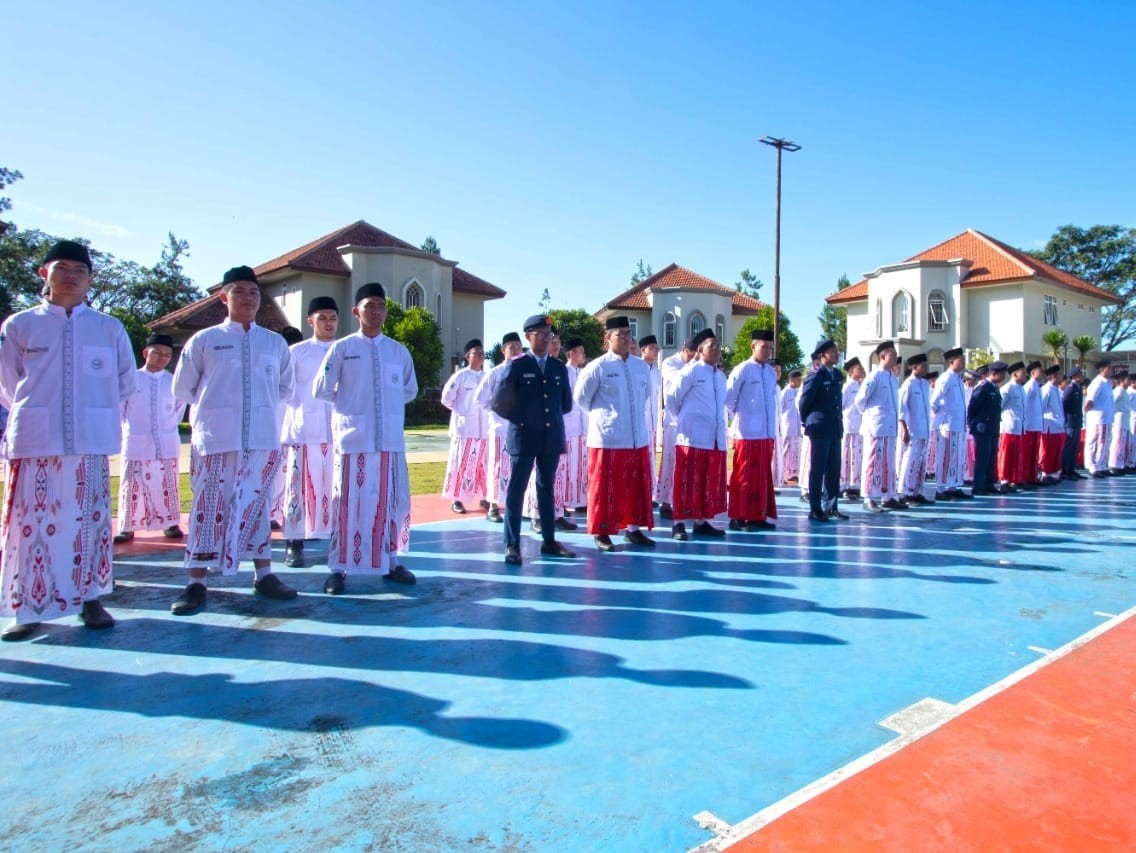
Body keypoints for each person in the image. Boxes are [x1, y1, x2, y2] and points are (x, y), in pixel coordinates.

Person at [0, 240, 136, 641]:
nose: (72, 276)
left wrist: (87, 410)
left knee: (89, 521)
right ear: (45, 274)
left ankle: (90, 597)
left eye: (80, 270)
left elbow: (125, 382)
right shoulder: (20, 325)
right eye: (63, 268)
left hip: (91, 442)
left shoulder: (108, 327)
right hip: (36, 439)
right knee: (31, 525)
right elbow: (7, 385)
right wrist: (44, 408)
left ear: (91, 279)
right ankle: (27, 606)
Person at [171, 265, 296, 615]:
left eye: (254, 292)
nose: (247, 298)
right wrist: (221, 410)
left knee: (258, 509)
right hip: (216, 439)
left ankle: (264, 575)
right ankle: (196, 582)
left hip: (261, 440)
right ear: (223, 297)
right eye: (239, 291)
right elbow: (183, 389)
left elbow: (286, 388)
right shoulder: (205, 340)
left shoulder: (273, 343)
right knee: (208, 509)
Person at [313, 282, 417, 593]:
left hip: (390, 442)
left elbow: (409, 390)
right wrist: (353, 406)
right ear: (357, 311)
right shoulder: (343, 348)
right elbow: (322, 389)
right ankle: (338, 568)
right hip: (353, 439)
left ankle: (392, 561)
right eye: (369, 306)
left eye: (381, 306)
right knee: (347, 504)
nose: (376, 312)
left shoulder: (398, 351)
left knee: (392, 502)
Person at [492, 314, 575, 564]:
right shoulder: (517, 366)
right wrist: (524, 420)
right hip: (524, 436)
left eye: (549, 334)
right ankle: (512, 544)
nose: (547, 338)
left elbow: (566, 404)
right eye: (540, 334)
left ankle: (549, 540)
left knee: (546, 489)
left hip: (550, 436)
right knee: (516, 491)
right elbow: (500, 403)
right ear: (528, 337)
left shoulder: (558, 367)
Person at [573, 316, 656, 552]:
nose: (626, 338)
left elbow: (646, 394)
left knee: (635, 487)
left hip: (636, 438)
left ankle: (633, 530)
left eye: (629, 333)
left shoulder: (640, 366)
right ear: (607, 337)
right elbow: (581, 399)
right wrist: (606, 418)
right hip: (607, 439)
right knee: (605, 489)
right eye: (620, 333)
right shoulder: (598, 367)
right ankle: (602, 531)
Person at [279, 298, 339, 567]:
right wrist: (302, 412)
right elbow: (282, 389)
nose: (329, 323)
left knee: (336, 490)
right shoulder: (296, 352)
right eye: (323, 318)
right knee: (298, 490)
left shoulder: (344, 350)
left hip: (337, 434)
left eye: (333, 318)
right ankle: (294, 542)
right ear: (310, 321)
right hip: (304, 432)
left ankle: (338, 540)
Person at [114, 332, 184, 544]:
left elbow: (178, 410)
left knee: (167, 484)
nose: (162, 358)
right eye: (158, 353)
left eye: (167, 355)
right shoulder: (130, 380)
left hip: (166, 441)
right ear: (146, 353)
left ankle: (170, 523)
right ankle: (127, 527)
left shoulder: (174, 383)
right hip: (136, 442)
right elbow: (120, 411)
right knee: (132, 485)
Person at [668, 328, 728, 539]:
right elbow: (673, 400)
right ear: (700, 350)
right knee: (686, 481)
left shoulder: (720, 376)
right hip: (691, 437)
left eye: (719, 346)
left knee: (706, 482)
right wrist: (687, 421)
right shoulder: (690, 371)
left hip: (713, 439)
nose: (717, 350)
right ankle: (679, 523)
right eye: (712, 346)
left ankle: (702, 521)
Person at [724, 328, 779, 531]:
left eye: (770, 348)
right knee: (744, 475)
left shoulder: (770, 372)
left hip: (766, 433)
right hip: (747, 433)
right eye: (764, 347)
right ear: (753, 346)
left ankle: (757, 515)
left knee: (762, 476)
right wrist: (741, 419)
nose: (767, 351)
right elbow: (729, 400)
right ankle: (738, 516)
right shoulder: (743, 369)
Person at [523, 330, 576, 532]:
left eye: (557, 342)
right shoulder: (528, 365)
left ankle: (557, 513)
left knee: (558, 476)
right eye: (551, 340)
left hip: (559, 431)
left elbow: (566, 403)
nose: (554, 345)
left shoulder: (559, 368)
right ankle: (536, 516)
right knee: (537, 478)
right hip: (535, 433)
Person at [475, 332, 522, 522]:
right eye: (512, 348)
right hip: (500, 429)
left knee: (518, 468)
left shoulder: (525, 371)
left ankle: (516, 506)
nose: (516, 351)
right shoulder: (495, 373)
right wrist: (496, 412)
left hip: (520, 429)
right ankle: (493, 507)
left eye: (519, 348)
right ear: (503, 350)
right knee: (497, 466)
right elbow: (480, 399)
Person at [798, 338, 846, 521]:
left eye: (837, 351)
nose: (836, 354)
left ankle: (831, 505)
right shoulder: (816, 375)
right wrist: (808, 421)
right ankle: (815, 508)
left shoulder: (837, 375)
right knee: (817, 469)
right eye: (833, 351)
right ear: (822, 355)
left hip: (834, 427)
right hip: (819, 428)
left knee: (834, 468)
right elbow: (804, 402)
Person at [440, 338, 488, 514]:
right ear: (468, 356)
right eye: (477, 353)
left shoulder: (486, 377)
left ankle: (485, 498)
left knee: (483, 464)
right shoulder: (460, 376)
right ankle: (457, 499)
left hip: (484, 430)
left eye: (483, 353)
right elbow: (446, 399)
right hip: (464, 429)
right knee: (461, 464)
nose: (481, 356)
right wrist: (461, 413)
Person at [855, 341, 901, 511]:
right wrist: (870, 415)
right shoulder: (874, 376)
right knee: (873, 461)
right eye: (892, 355)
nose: (895, 358)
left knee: (889, 462)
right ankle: (868, 497)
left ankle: (887, 496)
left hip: (890, 426)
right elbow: (860, 400)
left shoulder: (892, 378)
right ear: (882, 356)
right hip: (876, 426)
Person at [656, 339, 694, 518]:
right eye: (691, 354)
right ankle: (666, 502)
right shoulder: (669, 362)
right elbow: (681, 380)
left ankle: (684, 500)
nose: (693, 358)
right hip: (672, 421)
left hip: (689, 421)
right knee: (671, 462)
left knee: (687, 464)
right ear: (684, 349)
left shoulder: (693, 365)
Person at [930, 348, 969, 501]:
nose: (962, 361)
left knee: (957, 457)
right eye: (959, 359)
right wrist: (943, 416)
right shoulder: (945, 379)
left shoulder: (959, 379)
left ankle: (954, 486)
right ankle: (941, 488)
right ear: (951, 362)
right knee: (946, 457)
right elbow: (934, 402)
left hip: (959, 425)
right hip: (948, 425)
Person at [896, 352, 932, 505]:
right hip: (912, 430)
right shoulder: (908, 385)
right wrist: (904, 430)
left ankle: (917, 491)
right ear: (914, 367)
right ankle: (905, 492)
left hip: (924, 430)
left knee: (921, 463)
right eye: (923, 366)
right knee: (909, 462)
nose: (925, 368)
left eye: (926, 365)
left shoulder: (924, 384)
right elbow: (901, 410)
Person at [968, 362, 1007, 495]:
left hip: (992, 427)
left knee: (991, 457)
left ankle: (989, 483)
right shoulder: (984, 386)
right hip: (983, 428)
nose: (1004, 376)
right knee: (983, 457)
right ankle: (979, 486)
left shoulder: (994, 387)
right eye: (1002, 373)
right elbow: (973, 406)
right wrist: (973, 422)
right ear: (994, 373)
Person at [561, 337, 589, 514]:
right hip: (568, 427)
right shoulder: (563, 372)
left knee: (581, 465)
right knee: (566, 466)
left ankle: (579, 499)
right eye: (581, 351)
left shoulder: (583, 372)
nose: (583, 355)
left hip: (583, 426)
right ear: (572, 353)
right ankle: (562, 501)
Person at [997, 362, 1027, 492]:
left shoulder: (1021, 389)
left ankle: (1013, 480)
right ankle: (1004, 481)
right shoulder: (1007, 388)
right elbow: (999, 406)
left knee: (1016, 455)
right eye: (1022, 372)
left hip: (1018, 427)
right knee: (1006, 454)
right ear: (1014, 374)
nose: (1025, 375)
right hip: (1008, 427)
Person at [1083, 359, 1114, 477]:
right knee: (1097, 442)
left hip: (1106, 418)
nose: (1111, 370)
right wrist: (1086, 413)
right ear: (1102, 369)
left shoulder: (1106, 382)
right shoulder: (1098, 383)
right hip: (1098, 419)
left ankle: (1102, 465)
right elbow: (1089, 401)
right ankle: (1094, 467)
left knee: (1105, 443)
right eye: (1108, 367)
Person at [840, 357, 865, 499]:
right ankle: (844, 485)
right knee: (847, 457)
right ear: (851, 371)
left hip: (859, 427)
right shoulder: (848, 386)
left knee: (857, 456)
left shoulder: (861, 385)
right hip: (849, 426)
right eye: (858, 369)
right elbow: (841, 405)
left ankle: (855, 485)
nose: (861, 371)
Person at [1038, 364, 1065, 484]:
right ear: (1053, 376)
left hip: (1058, 426)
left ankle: (1053, 472)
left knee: (1056, 451)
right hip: (1049, 425)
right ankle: (1045, 473)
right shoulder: (1046, 389)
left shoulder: (1057, 390)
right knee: (1048, 451)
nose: (1061, 377)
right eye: (1059, 374)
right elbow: (1041, 408)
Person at [1021, 361, 1045, 486]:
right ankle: (1026, 477)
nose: (1042, 374)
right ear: (1033, 372)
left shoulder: (1037, 386)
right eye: (1040, 371)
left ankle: (1033, 477)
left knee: (1034, 453)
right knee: (1028, 453)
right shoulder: (1029, 386)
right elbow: (1024, 404)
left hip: (1036, 424)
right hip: (1029, 425)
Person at [1061, 366, 1085, 479]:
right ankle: (1065, 470)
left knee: (1075, 447)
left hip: (1076, 421)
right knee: (1069, 447)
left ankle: (1072, 469)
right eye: (1080, 374)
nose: (1082, 376)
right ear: (1075, 376)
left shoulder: (1077, 387)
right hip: (1070, 422)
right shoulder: (1070, 388)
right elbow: (1064, 405)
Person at [779, 369, 803, 484]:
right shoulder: (784, 392)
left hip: (797, 427)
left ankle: (794, 473)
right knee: (785, 451)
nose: (799, 382)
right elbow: (780, 409)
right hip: (786, 426)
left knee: (795, 451)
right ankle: (783, 473)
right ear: (791, 380)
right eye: (798, 380)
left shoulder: (799, 392)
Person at [1109, 368, 1130, 475]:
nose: (1129, 381)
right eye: (1127, 379)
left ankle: (1121, 464)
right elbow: (1112, 403)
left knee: (1122, 444)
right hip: (1119, 419)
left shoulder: (1124, 391)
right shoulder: (1119, 390)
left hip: (1125, 419)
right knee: (1117, 443)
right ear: (1122, 380)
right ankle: (1114, 465)